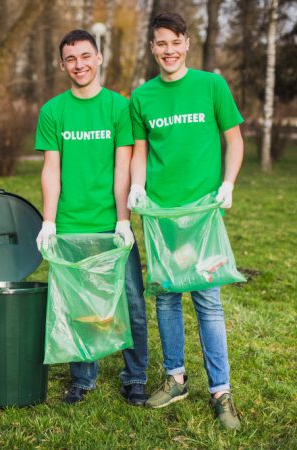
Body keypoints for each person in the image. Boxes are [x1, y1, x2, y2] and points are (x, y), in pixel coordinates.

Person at [127, 12, 243, 430]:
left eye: (175, 42)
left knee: (208, 300)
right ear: (152, 47)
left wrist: (228, 183)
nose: (168, 50)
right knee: (167, 296)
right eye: (160, 43)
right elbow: (140, 149)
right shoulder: (142, 97)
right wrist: (137, 187)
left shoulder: (212, 86)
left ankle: (221, 391)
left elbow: (234, 139)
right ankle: (175, 377)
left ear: (186, 43)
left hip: (202, 214)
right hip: (161, 215)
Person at [35, 29, 149, 406]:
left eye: (85, 56)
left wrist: (122, 220)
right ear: (62, 64)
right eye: (71, 59)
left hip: (109, 222)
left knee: (130, 299)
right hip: (69, 223)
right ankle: (82, 378)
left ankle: (135, 376)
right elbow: (52, 169)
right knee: (78, 302)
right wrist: (49, 221)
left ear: (99, 58)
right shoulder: (53, 110)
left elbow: (124, 167)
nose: (79, 65)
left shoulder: (119, 107)